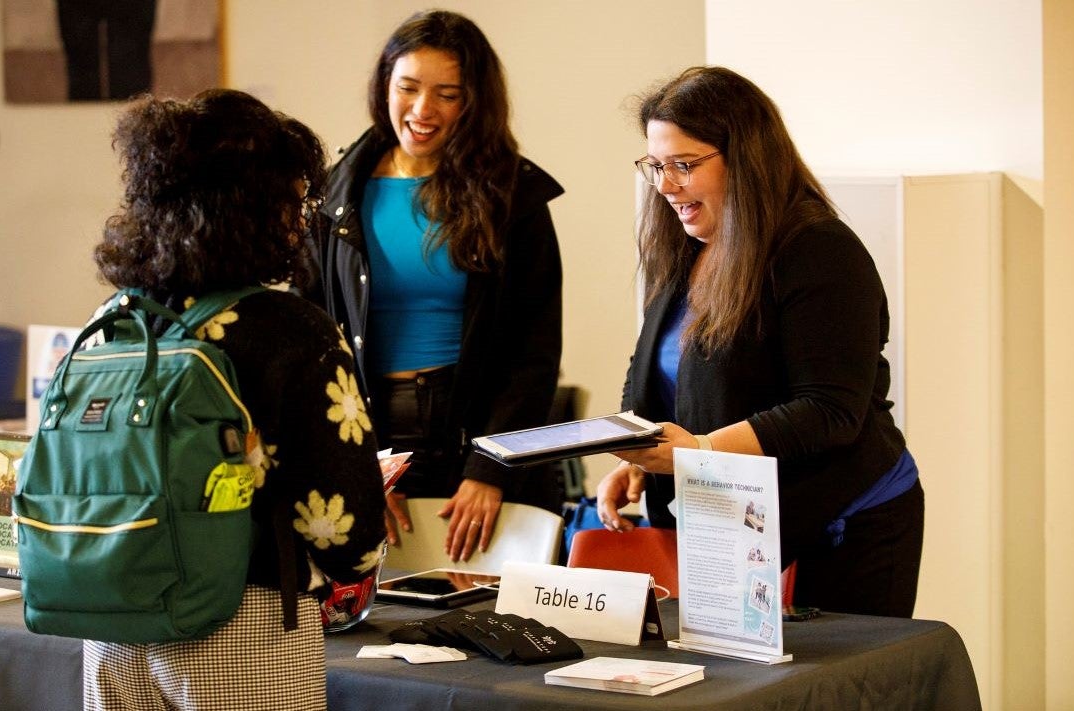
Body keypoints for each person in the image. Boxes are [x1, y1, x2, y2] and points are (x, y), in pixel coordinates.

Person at [82, 89, 387, 710]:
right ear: (255, 208)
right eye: (295, 199)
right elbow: (342, 524)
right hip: (238, 621)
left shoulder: (116, 321)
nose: (302, 219)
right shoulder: (293, 331)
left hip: (110, 620)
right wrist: (359, 564)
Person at [597, 66, 924, 618]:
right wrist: (641, 461)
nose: (665, 185)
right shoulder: (687, 245)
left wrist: (696, 453)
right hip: (738, 520)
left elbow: (828, 411)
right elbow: (655, 368)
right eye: (656, 165)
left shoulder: (819, 249)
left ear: (746, 158)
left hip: (844, 519)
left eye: (683, 165)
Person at [312, 10, 564, 563]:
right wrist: (358, 465)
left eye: (447, 94)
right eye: (408, 88)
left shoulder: (512, 197)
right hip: (368, 439)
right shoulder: (335, 195)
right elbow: (311, 345)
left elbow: (534, 353)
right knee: (374, 637)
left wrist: (491, 466)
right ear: (385, 87)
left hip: (477, 437)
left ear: (474, 101)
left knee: (483, 624)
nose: (423, 110)